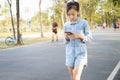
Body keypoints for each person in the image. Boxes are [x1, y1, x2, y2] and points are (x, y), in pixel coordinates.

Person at [64, 1, 92, 80]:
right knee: (72, 78)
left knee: (76, 78)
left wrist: (79, 36)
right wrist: (66, 37)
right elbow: (65, 41)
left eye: (73, 14)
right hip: (70, 53)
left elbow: (90, 38)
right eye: (69, 15)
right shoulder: (66, 25)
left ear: (78, 12)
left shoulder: (84, 23)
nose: (71, 17)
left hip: (81, 53)